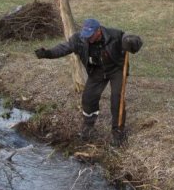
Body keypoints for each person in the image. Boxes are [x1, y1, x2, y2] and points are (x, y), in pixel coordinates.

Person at [34, 18, 142, 147]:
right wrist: (48, 53)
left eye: (91, 35)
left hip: (116, 69)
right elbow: (64, 48)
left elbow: (134, 42)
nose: (88, 38)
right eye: (86, 35)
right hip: (97, 70)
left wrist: (132, 42)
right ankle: (88, 126)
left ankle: (118, 132)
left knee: (116, 98)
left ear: (98, 31)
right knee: (88, 98)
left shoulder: (115, 36)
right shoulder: (79, 39)